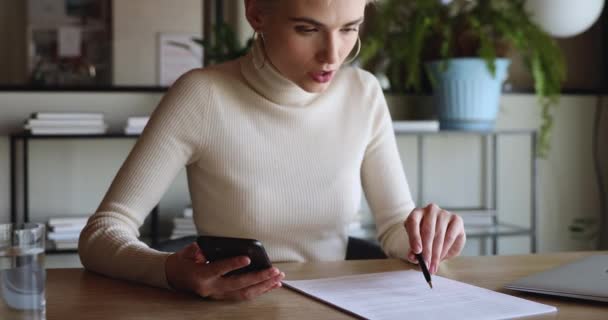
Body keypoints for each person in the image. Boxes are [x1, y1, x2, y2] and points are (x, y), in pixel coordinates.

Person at [79, 0, 466, 301]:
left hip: (334, 308)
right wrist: (169, 272)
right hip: (234, 311)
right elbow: (101, 235)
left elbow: (395, 227)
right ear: (257, 13)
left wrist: (426, 238)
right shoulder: (201, 95)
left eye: (349, 29)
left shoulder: (362, 94)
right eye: (307, 29)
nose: (332, 54)